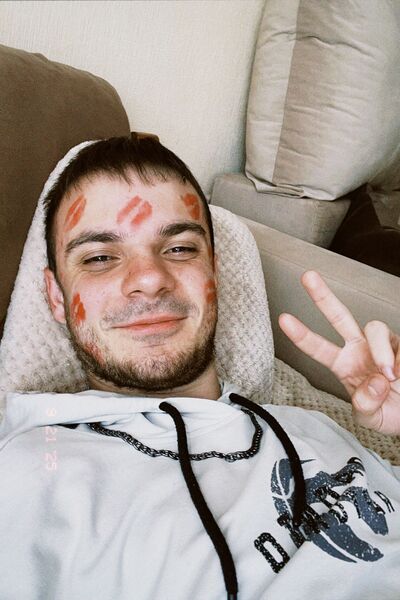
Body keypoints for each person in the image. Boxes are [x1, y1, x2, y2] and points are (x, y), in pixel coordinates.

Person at [0, 135, 399, 600]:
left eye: (179, 249)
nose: (150, 278)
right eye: (100, 257)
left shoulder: (315, 425)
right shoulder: (31, 473)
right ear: (56, 297)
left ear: (213, 270)